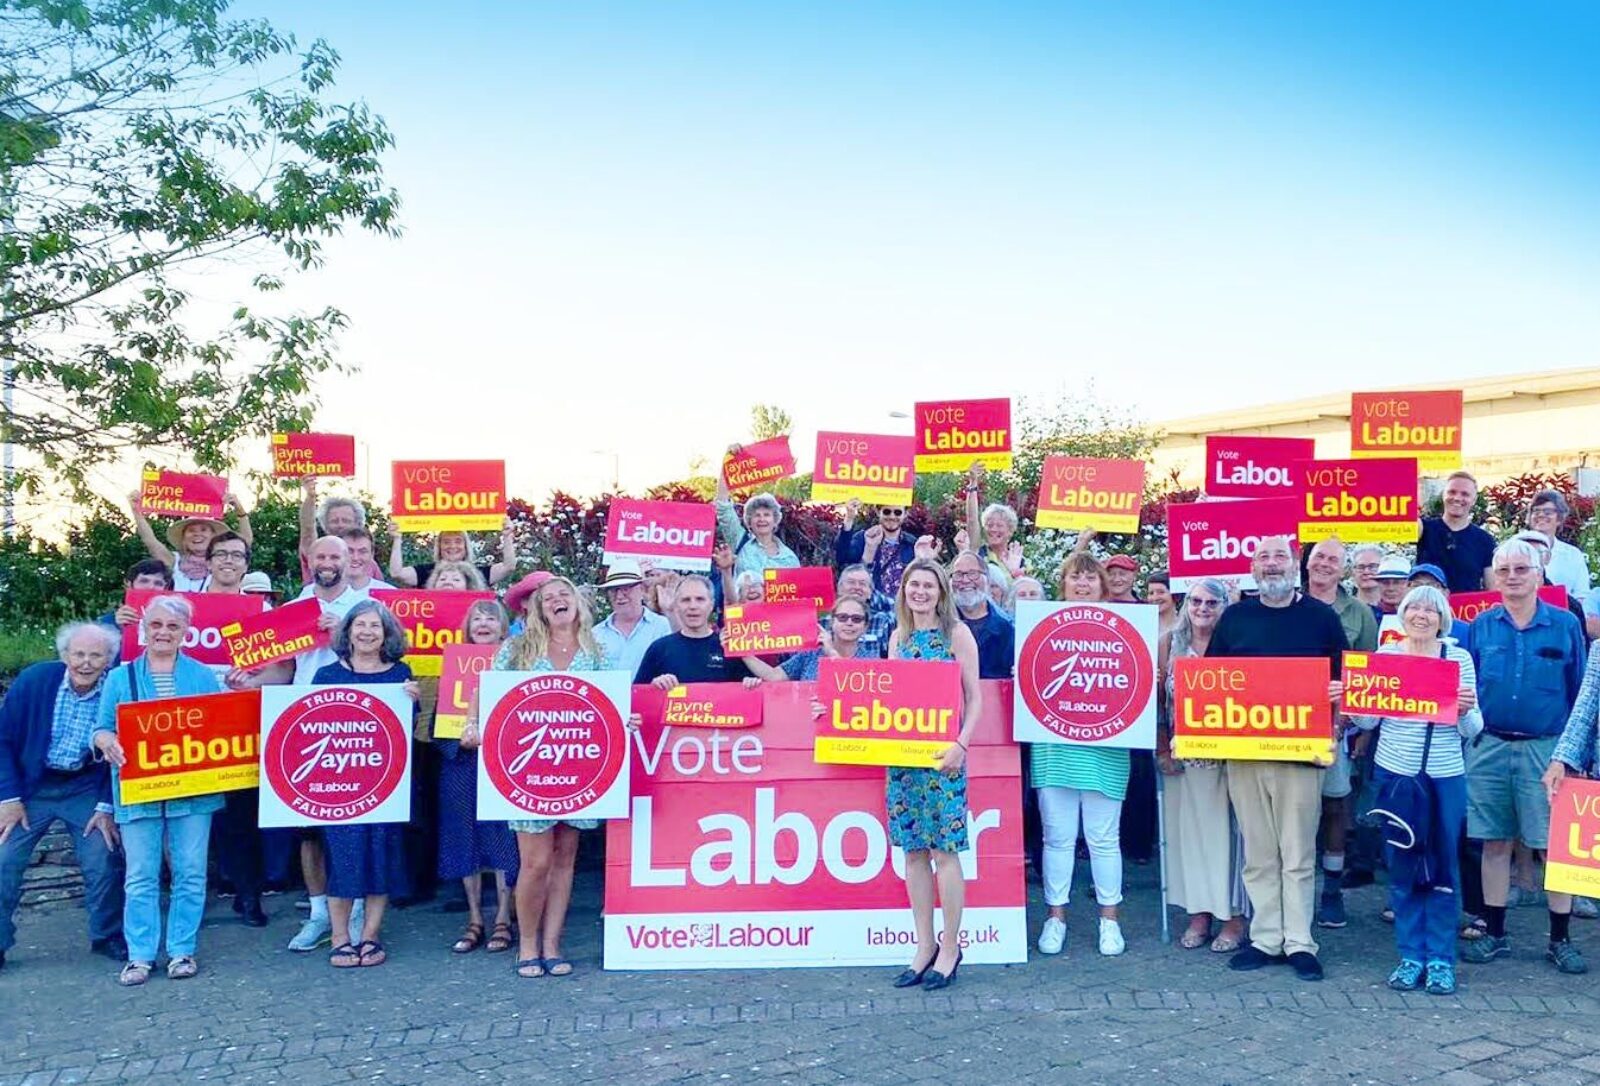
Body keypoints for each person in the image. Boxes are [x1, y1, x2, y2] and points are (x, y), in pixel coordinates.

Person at [1207, 535, 1347, 982]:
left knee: (1298, 851)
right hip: (1245, 753)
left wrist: (1338, 710)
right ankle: (1266, 938)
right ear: (1253, 567)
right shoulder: (1235, 618)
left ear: (1295, 565)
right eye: (1264, 557)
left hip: (1301, 754)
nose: (1272, 565)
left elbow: (1347, 679)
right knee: (1259, 852)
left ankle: (1301, 942)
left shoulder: (1321, 618)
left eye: (1280, 557)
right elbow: (1210, 680)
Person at [468, 575, 608, 978]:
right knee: (535, 862)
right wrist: (472, 723)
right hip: (529, 769)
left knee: (565, 860)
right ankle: (527, 943)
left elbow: (611, 701)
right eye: (549, 598)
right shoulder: (518, 648)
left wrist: (625, 718)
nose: (558, 601)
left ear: (578, 603)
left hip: (579, 767)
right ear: (537, 609)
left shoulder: (596, 649)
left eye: (565, 594)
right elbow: (487, 688)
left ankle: (552, 944)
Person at [1460, 538, 1588, 974]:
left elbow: (1581, 693)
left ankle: (1560, 938)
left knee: (1553, 847)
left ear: (1539, 572)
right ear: (1494, 577)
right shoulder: (1481, 626)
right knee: (1494, 841)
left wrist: (1573, 755)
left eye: (1521, 569)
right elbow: (1470, 688)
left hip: (1546, 749)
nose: (1512, 577)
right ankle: (1496, 933)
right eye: (1504, 570)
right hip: (1490, 746)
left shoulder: (1565, 624)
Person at [1349, 586, 1482, 995]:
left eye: (1431, 608)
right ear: (1403, 614)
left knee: (1442, 868)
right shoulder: (1386, 658)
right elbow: (1368, 723)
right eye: (1414, 607)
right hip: (1396, 776)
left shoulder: (1457, 658)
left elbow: (1475, 728)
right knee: (1402, 866)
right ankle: (1410, 955)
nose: (1422, 614)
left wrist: (1464, 711)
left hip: (1443, 775)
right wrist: (1350, 700)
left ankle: (1441, 959)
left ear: (1443, 617)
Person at [92, 596, 225, 985]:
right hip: (139, 787)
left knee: (190, 871)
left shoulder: (202, 676)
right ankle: (140, 955)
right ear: (143, 629)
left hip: (194, 791)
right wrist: (105, 741)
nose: (164, 633)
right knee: (140, 875)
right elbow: (100, 727)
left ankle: (182, 950)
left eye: (172, 627)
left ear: (185, 633)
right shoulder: (120, 677)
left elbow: (219, 728)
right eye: (156, 625)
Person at [880, 558, 982, 990]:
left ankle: (951, 947)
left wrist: (962, 744)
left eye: (928, 585)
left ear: (942, 592)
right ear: (904, 590)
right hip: (903, 760)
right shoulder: (897, 637)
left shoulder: (957, 635)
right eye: (913, 585)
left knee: (945, 853)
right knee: (913, 854)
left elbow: (975, 698)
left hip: (944, 760)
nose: (920, 592)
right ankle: (923, 946)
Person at [0, 624, 126, 971]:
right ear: (65, 655)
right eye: (79, 654)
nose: (86, 662)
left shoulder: (116, 687)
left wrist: (105, 804)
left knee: (102, 856)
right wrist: (8, 798)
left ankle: (107, 936)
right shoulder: (34, 681)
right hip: (33, 786)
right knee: (3, 858)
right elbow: (3, 740)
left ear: (108, 659)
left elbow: (121, 753)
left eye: (95, 655)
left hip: (84, 785)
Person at [1035, 553, 1132, 958]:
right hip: (1054, 747)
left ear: (1103, 586)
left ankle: (1109, 921)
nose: (1082, 584)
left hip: (1106, 750)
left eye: (1090, 579)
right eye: (1075, 577)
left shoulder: (1127, 629)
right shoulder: (1042, 626)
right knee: (1056, 839)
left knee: (1103, 840)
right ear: (1063, 583)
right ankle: (1055, 918)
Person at [313, 601, 420, 968]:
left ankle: (371, 935)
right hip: (337, 789)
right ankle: (341, 937)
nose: (368, 632)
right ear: (348, 631)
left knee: (381, 858)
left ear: (387, 634)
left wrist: (412, 703)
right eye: (360, 625)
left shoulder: (401, 675)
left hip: (385, 786)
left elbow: (405, 732)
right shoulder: (326, 676)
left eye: (376, 626)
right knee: (342, 860)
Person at [1156, 579, 1246, 953]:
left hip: (1230, 757)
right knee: (1189, 839)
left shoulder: (1237, 644)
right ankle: (1199, 914)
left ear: (1225, 605)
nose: (1203, 608)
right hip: (1184, 757)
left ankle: (1233, 918)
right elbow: (1157, 702)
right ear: (1185, 603)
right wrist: (1162, 748)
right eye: (1195, 600)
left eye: (1212, 601)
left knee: (1228, 840)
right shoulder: (1167, 643)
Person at [1303, 538, 1379, 928]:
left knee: (1335, 806)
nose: (1325, 564)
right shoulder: (1288, 603)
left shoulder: (1360, 613)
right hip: (1286, 726)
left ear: (1344, 568)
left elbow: (1365, 672)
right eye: (1319, 557)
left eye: (1333, 559)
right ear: (1307, 562)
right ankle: (1295, 894)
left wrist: (1349, 716)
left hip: (1334, 728)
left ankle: (1332, 892)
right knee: (1293, 812)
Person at [437, 600, 519, 955]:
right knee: (462, 838)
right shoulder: (450, 663)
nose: (483, 623)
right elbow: (438, 718)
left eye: (491, 618)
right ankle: (474, 918)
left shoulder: (517, 663)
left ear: (504, 629)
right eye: (477, 618)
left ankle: (503, 916)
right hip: (461, 760)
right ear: (467, 627)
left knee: (503, 837)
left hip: (504, 760)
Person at [634, 575, 754, 687]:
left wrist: (751, 683)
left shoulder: (728, 647)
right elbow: (637, 695)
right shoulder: (659, 649)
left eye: (700, 599)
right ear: (676, 605)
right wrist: (654, 685)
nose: (693, 606)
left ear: (711, 604)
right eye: (686, 600)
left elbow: (749, 695)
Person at [128, 489, 253, 592]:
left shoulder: (221, 563)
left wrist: (240, 512)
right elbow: (150, 541)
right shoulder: (174, 561)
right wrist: (136, 512)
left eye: (203, 530)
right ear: (183, 538)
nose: (197, 534)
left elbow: (244, 543)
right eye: (191, 530)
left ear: (214, 537)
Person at [1416, 471, 1495, 593]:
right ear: (1443, 495)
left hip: (1467, 610)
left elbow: (1492, 589)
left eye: (1465, 494)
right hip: (1427, 608)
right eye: (1452, 492)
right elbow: (1401, 514)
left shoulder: (1485, 540)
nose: (1457, 498)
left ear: (1474, 500)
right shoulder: (1424, 529)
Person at [715, 470, 800, 579]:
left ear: (775, 521)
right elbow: (723, 507)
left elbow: (795, 593)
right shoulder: (739, 540)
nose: (762, 519)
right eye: (757, 515)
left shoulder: (790, 558)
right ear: (749, 522)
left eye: (766, 515)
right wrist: (728, 461)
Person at [593, 560, 671, 678]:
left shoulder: (662, 627)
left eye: (626, 588)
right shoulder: (596, 634)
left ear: (641, 589)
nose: (619, 596)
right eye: (614, 590)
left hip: (649, 695)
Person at [387, 520, 516, 589]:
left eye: (458, 541)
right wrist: (397, 539)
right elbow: (396, 573)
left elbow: (508, 567)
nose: (452, 546)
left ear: (466, 546)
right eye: (446, 542)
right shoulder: (426, 572)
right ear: (439, 547)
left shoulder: (478, 573)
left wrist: (507, 536)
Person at [949, 551, 1015, 680]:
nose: (965, 580)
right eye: (958, 575)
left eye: (973, 573)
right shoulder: (940, 625)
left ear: (988, 579)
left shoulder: (1008, 630)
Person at [297, 479, 377, 583]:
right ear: (325, 525)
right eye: (334, 521)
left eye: (346, 520)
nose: (340, 525)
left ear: (357, 524)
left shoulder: (368, 562)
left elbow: (378, 591)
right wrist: (310, 497)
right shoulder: (319, 551)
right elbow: (308, 531)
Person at [835, 499, 917, 597]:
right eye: (887, 512)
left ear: (905, 514)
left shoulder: (911, 543)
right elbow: (841, 557)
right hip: (871, 605)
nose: (892, 516)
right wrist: (849, 518)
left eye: (897, 512)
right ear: (878, 512)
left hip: (900, 607)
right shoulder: (863, 538)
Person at [961, 463, 1025, 576]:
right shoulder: (979, 554)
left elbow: (1027, 591)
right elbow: (972, 519)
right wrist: (973, 483)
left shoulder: (1020, 560)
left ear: (1010, 531)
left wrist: (1015, 572)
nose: (994, 529)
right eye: (989, 525)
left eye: (999, 525)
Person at [1526, 489, 1590, 602]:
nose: (1541, 515)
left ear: (1559, 518)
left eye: (1547, 512)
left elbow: (1582, 594)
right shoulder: (1514, 551)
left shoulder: (1573, 555)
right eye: (1536, 511)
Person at [823, 564, 896, 658]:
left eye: (862, 583)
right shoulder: (822, 621)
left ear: (870, 593)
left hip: (871, 671)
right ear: (839, 588)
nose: (857, 587)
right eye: (851, 582)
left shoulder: (884, 620)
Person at [99, 559, 173, 633]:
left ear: (165, 588)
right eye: (144, 581)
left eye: (158, 583)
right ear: (129, 584)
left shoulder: (175, 621)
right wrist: (117, 629)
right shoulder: (105, 623)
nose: (151, 587)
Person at [341, 528, 395, 593]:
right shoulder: (326, 592)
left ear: (372, 554)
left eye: (362, 552)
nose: (355, 558)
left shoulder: (388, 593)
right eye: (349, 551)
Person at [1351, 545, 1384, 611]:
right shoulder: (1342, 609)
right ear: (1353, 572)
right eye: (1361, 567)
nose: (1366, 572)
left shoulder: (1397, 609)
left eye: (1373, 566)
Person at [1146, 572, 1178, 639]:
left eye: (1161, 592)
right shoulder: (1144, 626)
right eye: (1151, 593)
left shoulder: (1186, 625)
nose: (1155, 598)